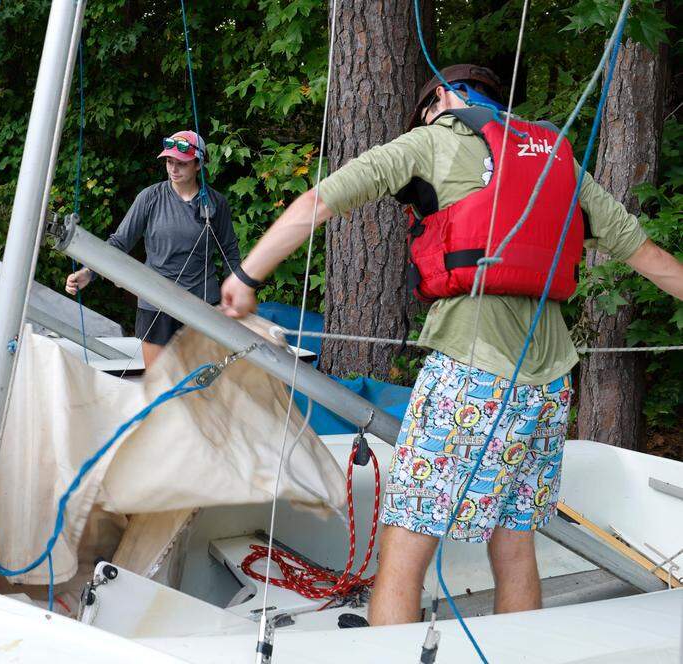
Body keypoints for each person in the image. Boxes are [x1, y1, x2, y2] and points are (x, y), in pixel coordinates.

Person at [219, 64, 683, 625]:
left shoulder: (432, 139)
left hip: (472, 374)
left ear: (441, 98)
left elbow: (321, 202)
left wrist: (246, 278)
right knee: (514, 543)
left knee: (406, 541)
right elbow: (651, 258)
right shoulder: (558, 160)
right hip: (548, 386)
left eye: (425, 110)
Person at [65, 130, 241, 367]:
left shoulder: (215, 202)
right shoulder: (150, 197)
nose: (173, 169)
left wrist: (238, 293)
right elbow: (119, 242)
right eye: (169, 162)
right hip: (155, 302)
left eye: (182, 164)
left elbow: (229, 250)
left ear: (198, 165)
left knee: (201, 387)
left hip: (201, 304)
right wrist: (89, 272)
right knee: (158, 381)